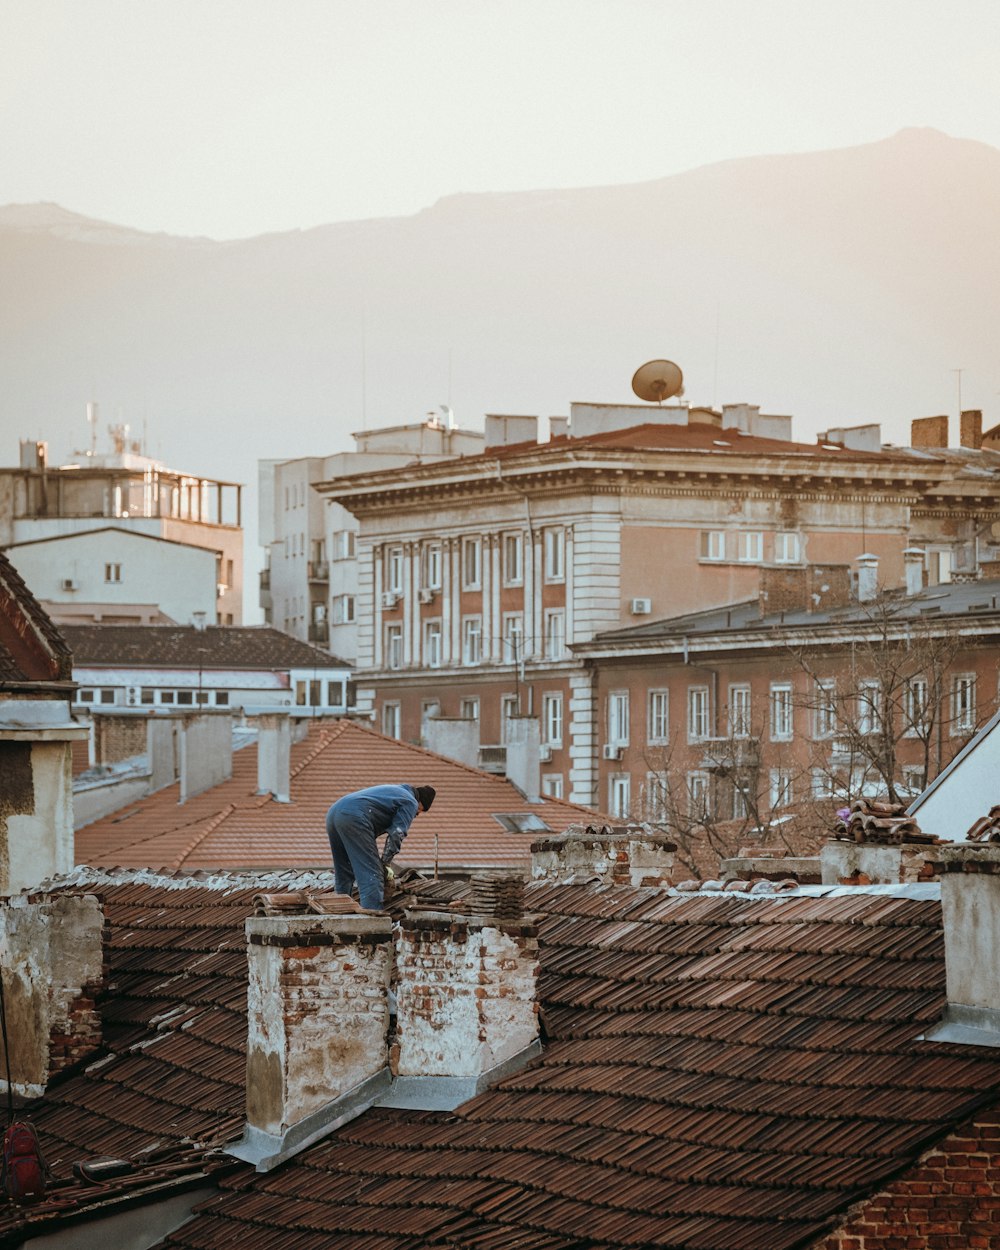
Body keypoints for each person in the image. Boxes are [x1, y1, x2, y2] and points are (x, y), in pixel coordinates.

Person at [326, 784, 436, 910]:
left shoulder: (395, 792)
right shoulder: (410, 801)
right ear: (420, 803)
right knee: (372, 873)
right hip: (354, 817)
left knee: (343, 871)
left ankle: (339, 912)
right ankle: (371, 921)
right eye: (419, 811)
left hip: (334, 813)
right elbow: (397, 833)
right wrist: (385, 863)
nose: (416, 814)